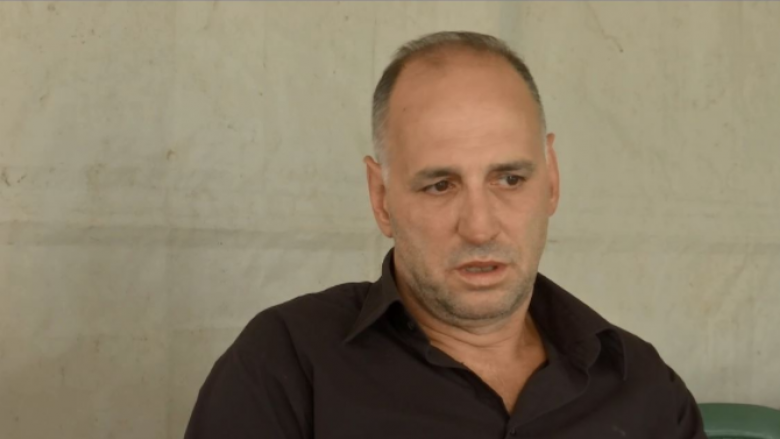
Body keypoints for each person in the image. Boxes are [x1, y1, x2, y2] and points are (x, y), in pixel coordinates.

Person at [184, 31, 705, 439]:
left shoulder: (642, 387)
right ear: (381, 198)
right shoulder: (287, 365)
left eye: (509, 179)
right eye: (440, 185)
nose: (479, 226)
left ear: (552, 180)